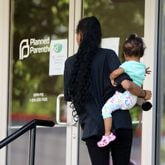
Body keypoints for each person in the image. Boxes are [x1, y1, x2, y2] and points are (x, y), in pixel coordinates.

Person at [64, 16, 151, 165]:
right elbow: (126, 84)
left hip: (93, 127)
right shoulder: (108, 55)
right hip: (120, 123)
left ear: (80, 35)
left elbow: (68, 96)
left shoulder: (71, 63)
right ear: (98, 36)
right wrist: (144, 94)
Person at [97, 34, 151, 147]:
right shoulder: (141, 67)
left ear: (125, 54)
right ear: (141, 54)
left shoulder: (126, 65)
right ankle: (142, 102)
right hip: (133, 99)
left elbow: (116, 73)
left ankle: (107, 134)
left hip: (124, 97)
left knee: (106, 109)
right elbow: (137, 75)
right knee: (132, 97)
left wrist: (111, 77)